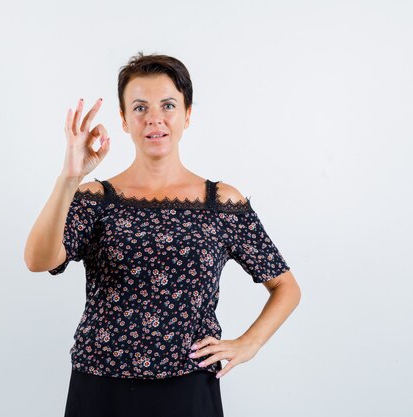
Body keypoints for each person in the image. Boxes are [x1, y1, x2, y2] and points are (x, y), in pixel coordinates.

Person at [24, 52, 301, 417]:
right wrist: (69, 178)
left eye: (168, 105)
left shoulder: (220, 202)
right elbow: (38, 260)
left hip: (189, 384)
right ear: (123, 120)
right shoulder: (94, 199)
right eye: (140, 108)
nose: (154, 118)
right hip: (102, 385)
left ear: (187, 114)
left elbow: (286, 287)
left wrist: (249, 344)